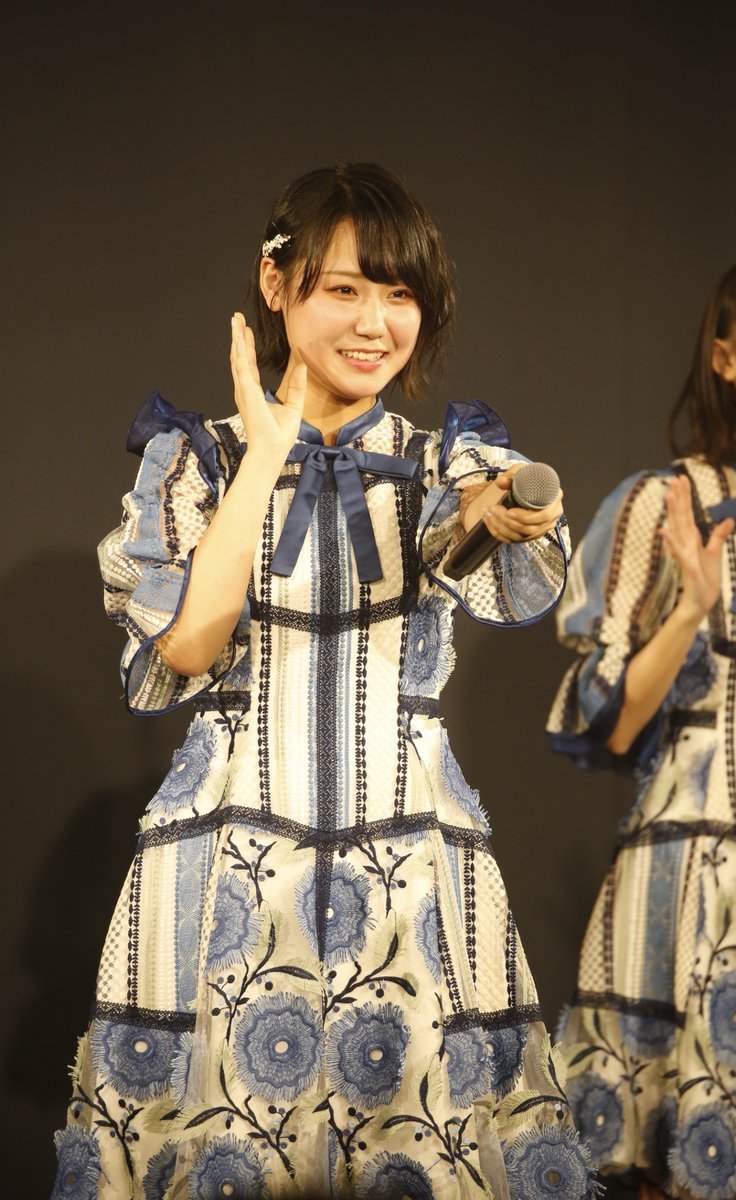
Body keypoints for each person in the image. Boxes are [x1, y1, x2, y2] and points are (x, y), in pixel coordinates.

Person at [51, 162, 593, 1200]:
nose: (374, 322)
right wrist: (264, 455)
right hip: (225, 868)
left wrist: (501, 510)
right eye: (343, 288)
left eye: (399, 294)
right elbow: (187, 647)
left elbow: (472, 526)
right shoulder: (195, 461)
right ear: (276, 282)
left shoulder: (442, 461)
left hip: (412, 871)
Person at [547, 251, 736, 1199]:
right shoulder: (668, 503)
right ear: (726, 357)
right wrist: (691, 607)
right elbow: (610, 726)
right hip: (694, 884)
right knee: (680, 1169)